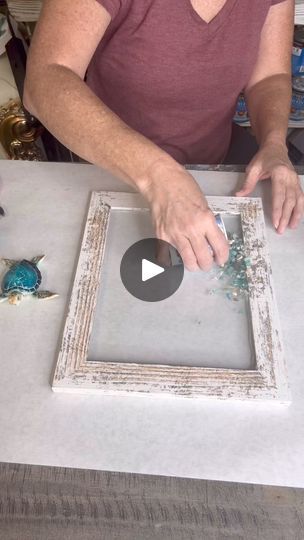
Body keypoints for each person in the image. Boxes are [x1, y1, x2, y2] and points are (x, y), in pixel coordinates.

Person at [24, 0, 303, 271]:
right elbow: (45, 78)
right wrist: (158, 175)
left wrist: (274, 143)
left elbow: (269, 76)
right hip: (111, 170)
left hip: (210, 167)